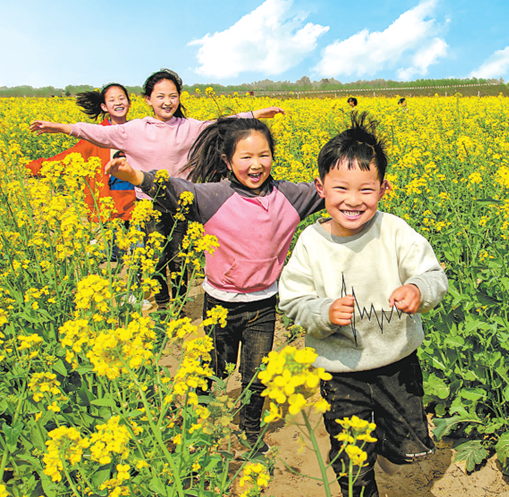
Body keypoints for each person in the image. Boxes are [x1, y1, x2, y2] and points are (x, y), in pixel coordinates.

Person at [105, 117, 324, 456]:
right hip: (220, 302)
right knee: (214, 368)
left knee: (257, 374)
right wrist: (136, 177)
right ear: (227, 161)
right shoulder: (213, 196)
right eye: (245, 157)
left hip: (263, 305)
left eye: (263, 155)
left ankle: (250, 428)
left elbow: (328, 192)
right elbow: (177, 191)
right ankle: (198, 421)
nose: (256, 165)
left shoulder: (288, 196)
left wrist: (359, 183)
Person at [278, 112, 448, 497]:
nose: (352, 201)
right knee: (351, 454)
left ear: (383, 188)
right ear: (320, 187)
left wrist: (419, 290)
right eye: (341, 189)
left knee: (408, 447)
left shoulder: (394, 230)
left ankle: (389, 455)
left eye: (365, 190)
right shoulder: (311, 242)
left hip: (397, 362)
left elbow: (435, 274)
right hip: (339, 370)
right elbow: (292, 299)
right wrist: (322, 312)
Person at [30, 69, 285, 314]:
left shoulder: (189, 127)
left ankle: (180, 301)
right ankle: (163, 303)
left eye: (173, 95)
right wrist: (59, 127)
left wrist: (257, 113)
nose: (167, 101)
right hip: (149, 203)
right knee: (158, 253)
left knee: (181, 254)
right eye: (161, 96)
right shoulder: (134, 130)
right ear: (148, 99)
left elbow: (220, 123)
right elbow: (97, 132)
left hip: (184, 201)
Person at [26, 83, 136, 226]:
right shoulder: (94, 136)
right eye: (112, 100)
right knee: (112, 248)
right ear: (104, 107)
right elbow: (67, 158)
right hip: (108, 208)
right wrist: (30, 167)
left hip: (137, 207)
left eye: (121, 98)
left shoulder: (138, 131)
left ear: (129, 103)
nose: (118, 103)